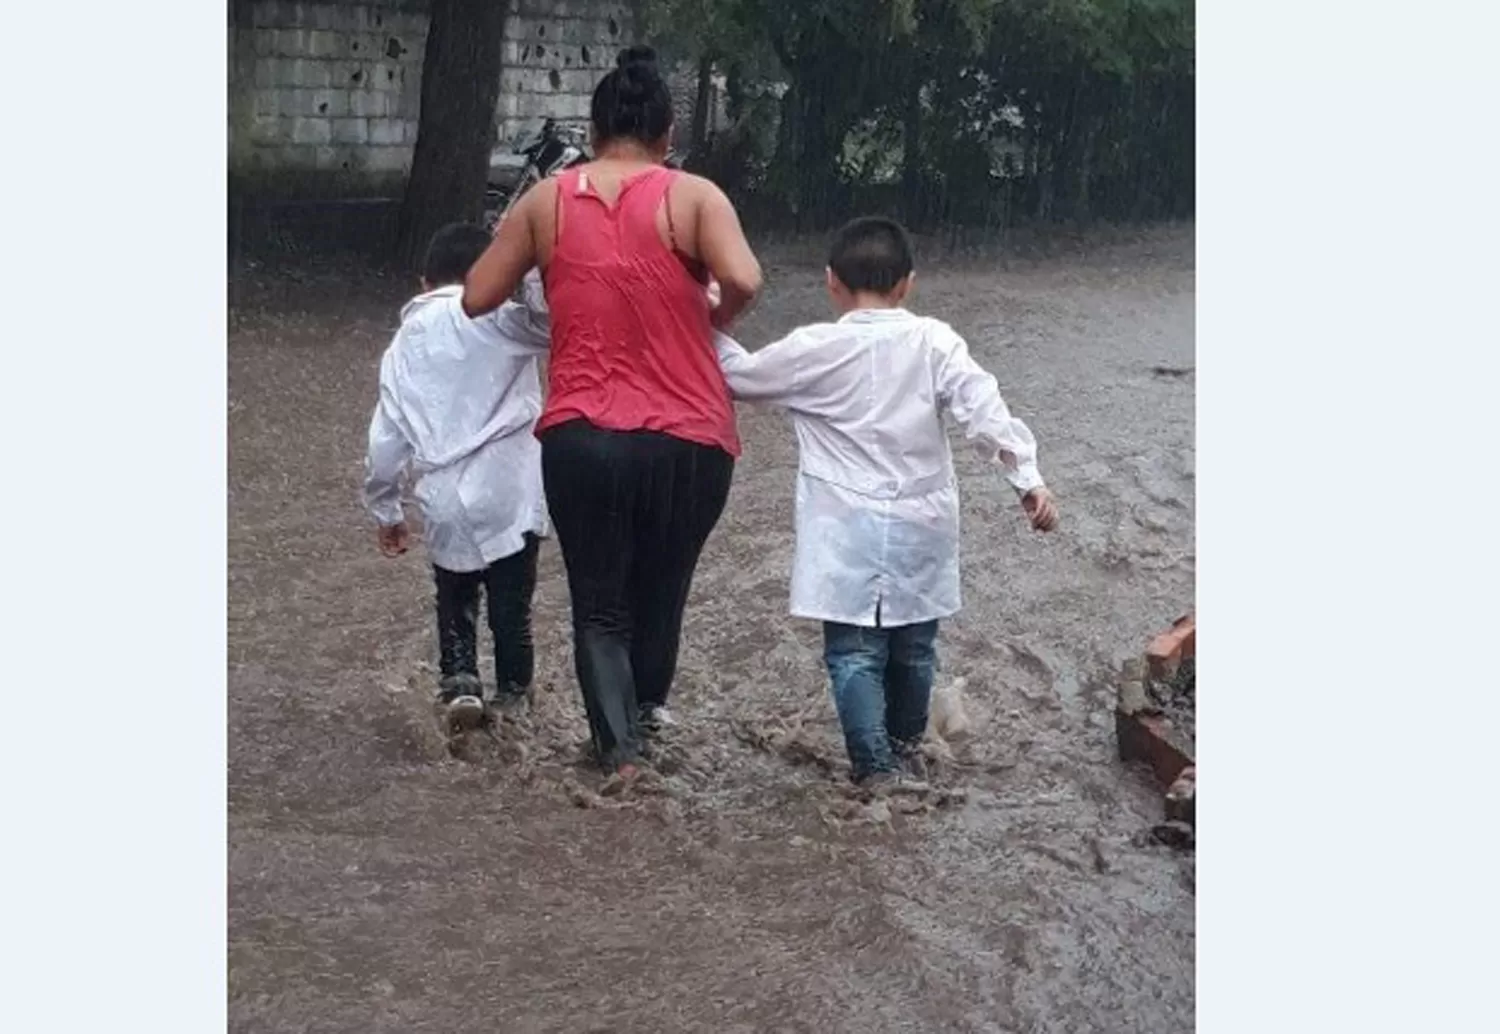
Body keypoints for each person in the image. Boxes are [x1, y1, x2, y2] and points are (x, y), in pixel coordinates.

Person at [460, 45, 764, 782]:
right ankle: (649, 733)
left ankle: (619, 760)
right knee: (662, 597)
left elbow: (475, 298)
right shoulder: (694, 196)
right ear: (666, 137)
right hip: (692, 443)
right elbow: (744, 277)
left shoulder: (546, 202)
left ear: (594, 132)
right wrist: (713, 322)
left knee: (599, 607)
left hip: (585, 438)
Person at [712, 216, 1060, 789]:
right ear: (908, 284)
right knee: (915, 649)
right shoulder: (935, 342)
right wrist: (1028, 480)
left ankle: (874, 772)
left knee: (853, 653)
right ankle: (908, 754)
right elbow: (984, 411)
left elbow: (739, 377)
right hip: (922, 524)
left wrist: (697, 319)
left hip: (845, 528)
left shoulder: (813, 350)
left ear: (831, 282)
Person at [363, 223, 552, 732]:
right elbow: (555, 320)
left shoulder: (402, 346)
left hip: (442, 490)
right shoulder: (502, 319)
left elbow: (386, 440)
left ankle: (460, 683)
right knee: (513, 607)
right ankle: (514, 698)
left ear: (424, 282)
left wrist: (387, 510)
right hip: (512, 485)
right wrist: (530, 257)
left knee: (455, 594)